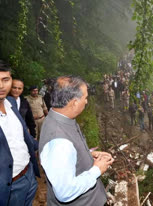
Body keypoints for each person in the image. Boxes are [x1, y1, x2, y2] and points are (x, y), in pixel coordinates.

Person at [39, 75, 114, 205]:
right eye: (85, 98)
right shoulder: (59, 142)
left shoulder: (61, 118)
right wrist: (97, 169)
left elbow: (66, 158)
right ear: (74, 102)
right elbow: (65, 192)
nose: (86, 101)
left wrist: (88, 154)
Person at [0, 60, 40, 206]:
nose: (1, 86)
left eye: (5, 80)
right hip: (10, 185)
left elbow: (23, 137)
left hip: (29, 175)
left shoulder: (11, 103)